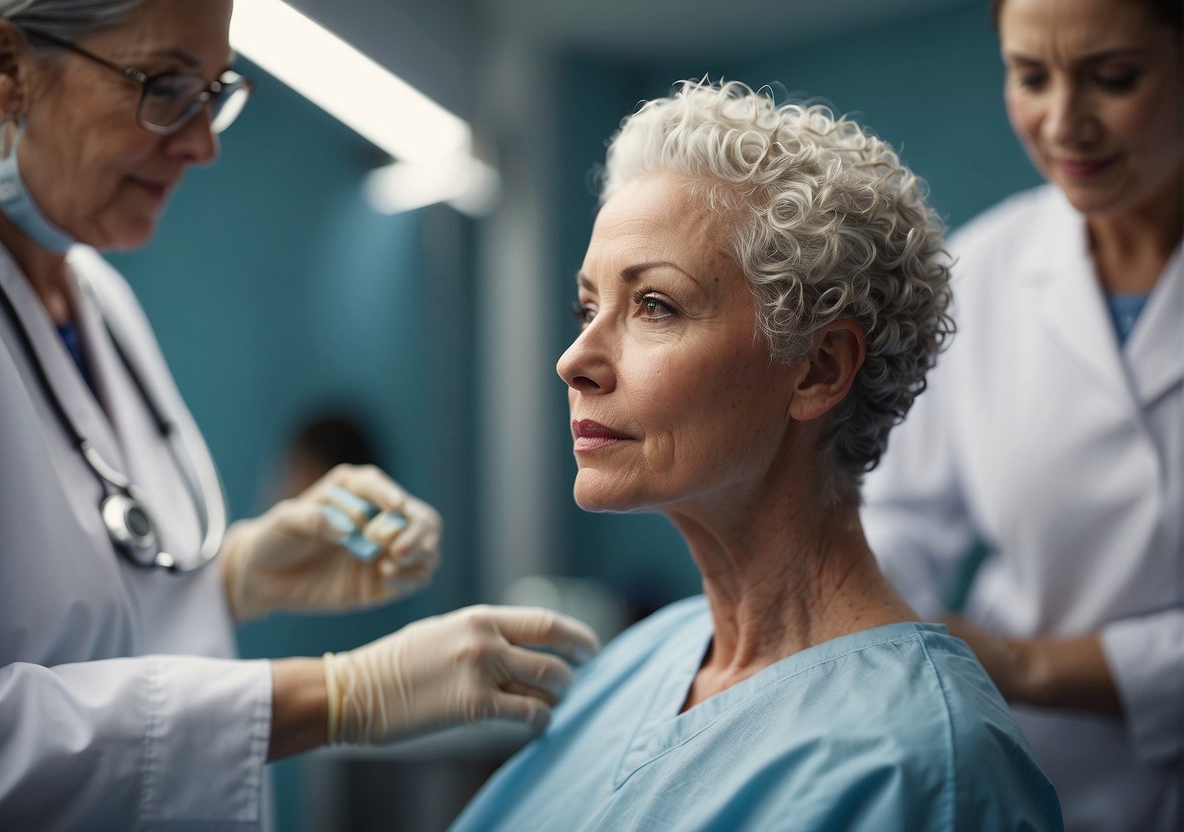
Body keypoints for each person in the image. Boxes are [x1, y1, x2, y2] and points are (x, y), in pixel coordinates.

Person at [0, 1, 598, 828]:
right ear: (7, 67)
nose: (202, 143)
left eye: (212, 90)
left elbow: (87, 626)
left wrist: (233, 577)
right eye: (162, 86)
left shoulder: (98, 297)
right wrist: (336, 694)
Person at [449, 79, 1063, 831]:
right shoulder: (640, 661)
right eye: (587, 307)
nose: (574, 359)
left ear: (817, 368)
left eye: (653, 306)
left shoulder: (926, 768)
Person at [859, 0, 1182, 828]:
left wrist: (1025, 663)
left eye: (1113, 78)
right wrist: (862, 629)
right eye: (1029, 76)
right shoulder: (982, 269)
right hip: (1030, 775)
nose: (1062, 122)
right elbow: (900, 514)